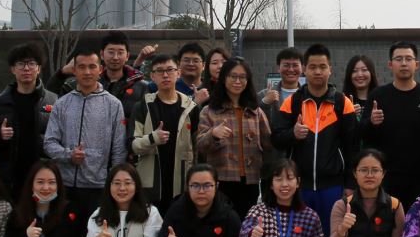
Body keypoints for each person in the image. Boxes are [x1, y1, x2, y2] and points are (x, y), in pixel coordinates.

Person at [272, 43, 358, 237]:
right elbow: (276, 139)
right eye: (312, 67)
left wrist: (350, 184)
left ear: (330, 69)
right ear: (304, 69)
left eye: (322, 67)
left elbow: (352, 148)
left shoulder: (342, 103)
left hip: (333, 186)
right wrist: (293, 134)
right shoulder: (293, 102)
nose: (318, 72)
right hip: (299, 186)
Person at [43, 48, 129, 218]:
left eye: (92, 67)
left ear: (100, 70)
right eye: (81, 67)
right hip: (65, 186)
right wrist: (69, 155)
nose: (87, 72)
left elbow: (119, 148)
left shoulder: (113, 104)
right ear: (74, 70)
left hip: (99, 187)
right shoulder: (62, 103)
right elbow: (49, 143)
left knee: (96, 232)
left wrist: (114, 182)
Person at [0, 44, 59, 202]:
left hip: (44, 179)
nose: (26, 68)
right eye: (21, 64)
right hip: (8, 180)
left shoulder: (54, 101)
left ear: (39, 68)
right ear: (13, 69)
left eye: (31, 63)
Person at [195, 57, 274, 217]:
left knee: (248, 224)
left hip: (251, 180)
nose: (238, 81)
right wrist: (213, 134)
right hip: (221, 180)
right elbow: (200, 146)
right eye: (233, 76)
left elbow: (269, 145)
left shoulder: (255, 112)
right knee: (223, 224)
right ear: (224, 78)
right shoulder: (209, 111)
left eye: (242, 77)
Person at [364, 42, 420, 203]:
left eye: (408, 59)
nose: (404, 63)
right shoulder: (378, 95)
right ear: (390, 65)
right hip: (387, 178)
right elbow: (364, 136)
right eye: (399, 59)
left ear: (417, 64)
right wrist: (371, 122)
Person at [130, 54, 200, 206]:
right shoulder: (142, 106)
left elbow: (196, 148)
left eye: (170, 70)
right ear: (152, 76)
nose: (165, 75)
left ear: (178, 73)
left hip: (182, 185)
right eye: (160, 71)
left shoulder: (191, 108)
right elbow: (133, 146)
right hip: (150, 186)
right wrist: (152, 138)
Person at [55, 31, 151, 111]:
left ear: (127, 56)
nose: (115, 57)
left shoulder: (141, 87)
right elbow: (52, 94)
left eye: (120, 53)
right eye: (111, 52)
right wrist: (62, 72)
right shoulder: (88, 82)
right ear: (102, 54)